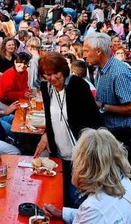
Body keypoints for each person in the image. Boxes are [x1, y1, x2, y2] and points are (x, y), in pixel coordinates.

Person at [34, 52, 102, 206]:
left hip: (80, 154)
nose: (52, 78)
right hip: (58, 152)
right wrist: (46, 134)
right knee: (59, 195)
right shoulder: (46, 87)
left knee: (77, 197)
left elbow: (94, 121)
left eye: (55, 73)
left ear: (63, 70)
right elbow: (49, 116)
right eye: (47, 75)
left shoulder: (78, 86)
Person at [83, 34, 131, 167]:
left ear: (98, 51)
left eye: (86, 51)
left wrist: (102, 106)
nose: (84, 55)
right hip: (112, 132)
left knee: (122, 175)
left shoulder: (119, 72)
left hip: (125, 135)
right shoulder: (101, 69)